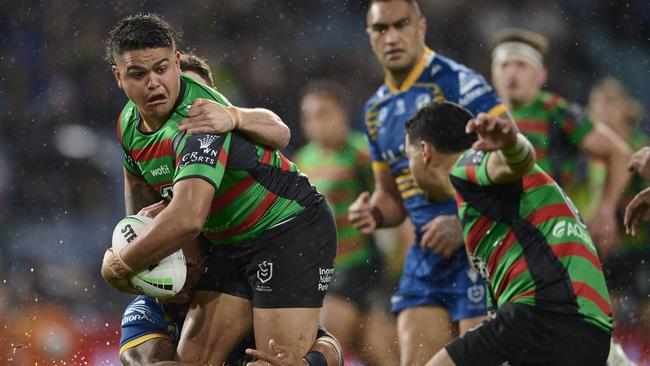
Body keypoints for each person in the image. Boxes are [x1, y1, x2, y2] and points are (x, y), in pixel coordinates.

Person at [100, 14, 337, 365]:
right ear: (119, 78)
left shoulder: (197, 117)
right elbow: (140, 201)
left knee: (273, 360)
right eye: (138, 74)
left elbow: (188, 219)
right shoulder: (128, 123)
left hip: (290, 230)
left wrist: (121, 265)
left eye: (162, 69)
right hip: (230, 243)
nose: (153, 83)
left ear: (177, 63)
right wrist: (138, 242)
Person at [352, 1, 508, 363]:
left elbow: (511, 165)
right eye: (380, 29)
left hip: (477, 247)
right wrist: (374, 213)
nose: (391, 37)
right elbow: (391, 196)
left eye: (400, 25)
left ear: (421, 27)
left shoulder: (460, 84)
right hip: (425, 256)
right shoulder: (374, 111)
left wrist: (463, 221)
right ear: (370, 36)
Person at [403, 100, 611, 366]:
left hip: (544, 314)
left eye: (407, 156)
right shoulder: (492, 202)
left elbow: (516, 160)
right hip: (591, 332)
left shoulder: (467, 165)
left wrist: (512, 143)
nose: (407, 169)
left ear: (424, 151)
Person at [490, 28, 631, 257]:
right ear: (493, 73)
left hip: (550, 235)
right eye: (504, 65)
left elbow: (619, 153)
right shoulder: (479, 115)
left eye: (521, 65)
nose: (511, 74)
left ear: (541, 75)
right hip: (496, 238)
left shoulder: (557, 111)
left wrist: (605, 209)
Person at [294, 80, 398, 365]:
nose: (316, 123)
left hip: (358, 265)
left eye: (324, 113)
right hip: (322, 270)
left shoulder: (362, 152)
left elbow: (391, 198)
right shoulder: (302, 161)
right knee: (376, 350)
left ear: (342, 114)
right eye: (310, 116)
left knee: (324, 339)